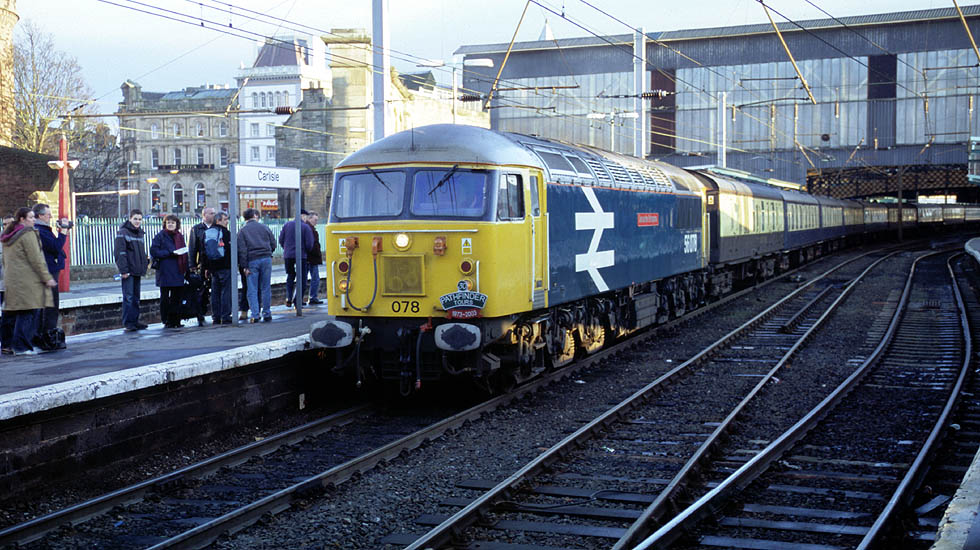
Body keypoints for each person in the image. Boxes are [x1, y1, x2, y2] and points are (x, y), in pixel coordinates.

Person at [1, 208, 57, 355]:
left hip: (11, 279)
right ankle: (21, 346)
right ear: (22, 219)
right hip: (27, 280)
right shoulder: (28, 234)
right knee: (28, 311)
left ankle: (6, 345)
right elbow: (37, 259)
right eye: (31, 217)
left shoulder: (7, 236)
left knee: (10, 312)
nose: (33, 220)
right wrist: (47, 277)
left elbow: (4, 260)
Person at [32, 204, 68, 344]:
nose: (51, 216)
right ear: (40, 216)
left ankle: (45, 333)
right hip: (49, 269)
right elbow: (55, 246)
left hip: (49, 268)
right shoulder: (40, 230)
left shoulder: (43, 229)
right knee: (51, 303)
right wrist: (63, 231)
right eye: (48, 214)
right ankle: (47, 334)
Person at [238, 208, 277, 323]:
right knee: (266, 287)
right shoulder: (265, 227)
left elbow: (242, 250)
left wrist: (244, 266)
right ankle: (267, 313)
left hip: (252, 261)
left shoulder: (242, 231)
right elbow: (273, 244)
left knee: (252, 289)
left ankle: (255, 315)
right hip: (266, 259)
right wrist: (268, 253)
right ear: (255, 216)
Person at [150, 214, 190, 329]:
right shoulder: (160, 236)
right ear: (165, 224)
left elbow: (184, 253)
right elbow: (154, 251)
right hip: (165, 271)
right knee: (165, 297)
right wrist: (169, 253)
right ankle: (167, 320)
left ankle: (176, 320)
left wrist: (187, 269)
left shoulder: (179, 236)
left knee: (177, 297)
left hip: (178, 271)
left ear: (177, 224)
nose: (171, 224)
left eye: (173, 222)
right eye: (168, 223)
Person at [113, 209, 149, 332]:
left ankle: (135, 320)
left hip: (137, 270)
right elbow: (120, 253)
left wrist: (145, 263)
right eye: (135, 219)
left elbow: (140, 253)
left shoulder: (140, 233)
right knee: (128, 297)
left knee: (136, 297)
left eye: (139, 219)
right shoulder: (122, 233)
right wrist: (123, 270)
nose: (137, 221)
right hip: (128, 271)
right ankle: (128, 322)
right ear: (130, 218)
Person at [279, 209, 313, 308]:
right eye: (305, 217)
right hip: (301, 256)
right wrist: (306, 251)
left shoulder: (286, 225)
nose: (306, 219)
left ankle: (288, 297)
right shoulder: (305, 227)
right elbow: (309, 244)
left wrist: (287, 249)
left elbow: (281, 239)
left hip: (288, 255)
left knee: (290, 275)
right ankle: (298, 301)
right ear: (303, 216)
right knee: (302, 278)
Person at [186, 207, 215, 326]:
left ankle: (215, 313)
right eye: (212, 213)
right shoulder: (196, 229)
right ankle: (201, 314)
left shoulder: (217, 228)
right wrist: (192, 265)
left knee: (216, 290)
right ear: (204, 215)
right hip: (202, 264)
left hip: (215, 264)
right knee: (202, 290)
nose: (214, 215)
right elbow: (192, 248)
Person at [205, 211, 233, 324]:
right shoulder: (226, 233)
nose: (227, 222)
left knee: (215, 292)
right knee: (226, 291)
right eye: (225, 219)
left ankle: (216, 316)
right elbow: (230, 251)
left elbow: (204, 251)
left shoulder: (207, 232)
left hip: (213, 267)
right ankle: (225, 316)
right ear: (218, 221)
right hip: (225, 266)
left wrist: (206, 268)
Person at [304, 211, 323, 305]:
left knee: (303, 279)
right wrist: (316, 254)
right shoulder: (309, 229)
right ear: (309, 218)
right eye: (315, 220)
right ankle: (312, 297)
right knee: (315, 278)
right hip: (311, 258)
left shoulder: (308, 228)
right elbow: (311, 244)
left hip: (309, 257)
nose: (316, 222)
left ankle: (298, 298)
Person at [0, 215, 12, 354]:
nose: (6, 227)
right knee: (7, 316)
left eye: (9, 224)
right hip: (3, 284)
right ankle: (6, 343)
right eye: (4, 224)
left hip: (13, 284)